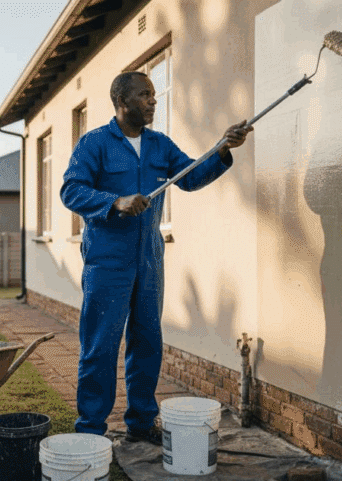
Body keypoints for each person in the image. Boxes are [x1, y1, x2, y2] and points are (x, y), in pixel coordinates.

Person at [60, 71, 251, 444]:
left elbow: (192, 176)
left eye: (153, 95)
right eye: (145, 95)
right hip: (107, 260)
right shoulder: (94, 143)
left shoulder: (160, 145)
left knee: (147, 342)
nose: (153, 101)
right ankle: (90, 430)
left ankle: (142, 423)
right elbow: (71, 190)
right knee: (100, 345)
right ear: (122, 101)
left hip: (149, 259)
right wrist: (114, 202)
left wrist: (223, 148)